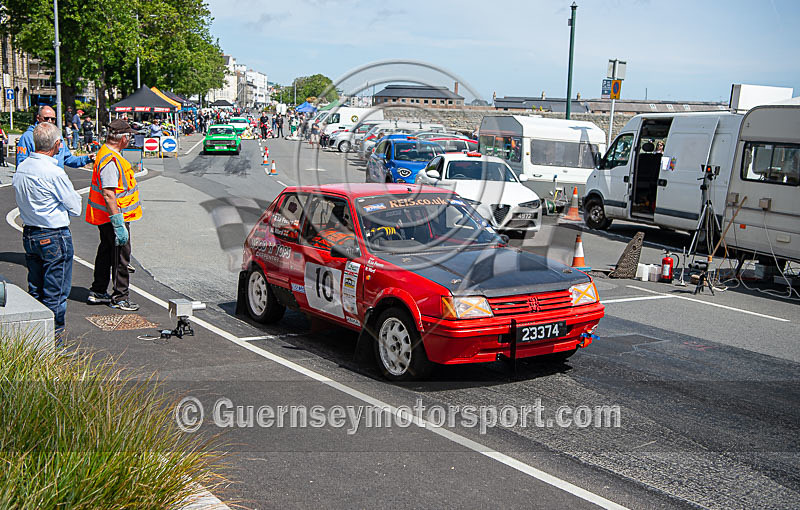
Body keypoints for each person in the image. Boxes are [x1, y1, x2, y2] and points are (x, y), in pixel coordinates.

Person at [12, 122, 82, 345]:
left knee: (36, 289)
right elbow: (75, 207)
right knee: (56, 293)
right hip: (53, 233)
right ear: (57, 144)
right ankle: (53, 343)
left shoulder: (23, 167)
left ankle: (35, 339)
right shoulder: (53, 172)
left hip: (30, 232)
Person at [85, 119, 142, 311]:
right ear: (123, 138)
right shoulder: (110, 159)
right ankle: (120, 296)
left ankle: (98, 290)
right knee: (120, 257)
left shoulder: (106, 154)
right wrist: (118, 222)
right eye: (129, 136)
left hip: (106, 216)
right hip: (115, 216)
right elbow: (109, 193)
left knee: (107, 252)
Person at [17, 105, 94, 169]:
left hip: (56, 179)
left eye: (53, 119)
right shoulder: (28, 137)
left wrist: (87, 158)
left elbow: (67, 158)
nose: (50, 121)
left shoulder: (58, 135)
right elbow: (21, 165)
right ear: (38, 118)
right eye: (46, 118)